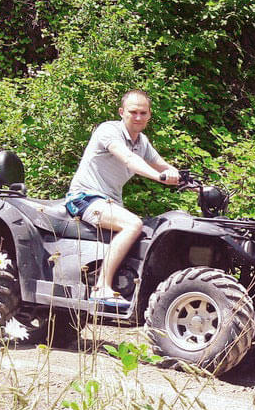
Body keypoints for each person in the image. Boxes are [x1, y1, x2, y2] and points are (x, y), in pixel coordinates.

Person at [67, 89, 180, 308]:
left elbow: (164, 165)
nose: (138, 117)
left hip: (110, 202)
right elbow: (129, 160)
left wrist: (186, 180)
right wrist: (159, 177)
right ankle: (101, 288)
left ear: (149, 115)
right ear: (122, 112)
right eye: (133, 112)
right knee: (133, 224)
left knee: (150, 229)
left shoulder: (141, 141)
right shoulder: (108, 130)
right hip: (84, 197)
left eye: (143, 113)